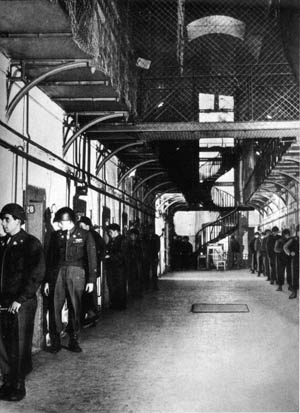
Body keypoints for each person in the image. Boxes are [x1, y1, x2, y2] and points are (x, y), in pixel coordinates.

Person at [0, 203, 45, 401]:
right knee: (3, 343)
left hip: (21, 303)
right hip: (4, 301)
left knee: (18, 344)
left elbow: (37, 274)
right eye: (2, 219)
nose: (3, 223)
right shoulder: (3, 243)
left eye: (7, 219)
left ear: (18, 221)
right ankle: (8, 380)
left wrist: (20, 298)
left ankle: (18, 386)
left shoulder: (31, 243)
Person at [44, 207, 97, 353]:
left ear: (70, 221)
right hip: (58, 273)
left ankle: (74, 340)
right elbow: (50, 259)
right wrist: (48, 280)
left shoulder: (85, 235)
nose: (59, 226)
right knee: (54, 307)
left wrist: (91, 280)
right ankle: (55, 342)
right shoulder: (55, 236)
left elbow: (92, 258)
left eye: (61, 223)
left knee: (75, 307)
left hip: (77, 273)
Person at [78, 216, 105, 327]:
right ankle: (89, 315)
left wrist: (95, 262)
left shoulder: (92, 236)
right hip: (88, 270)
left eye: (82, 226)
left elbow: (100, 251)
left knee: (89, 294)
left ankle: (91, 315)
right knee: (88, 294)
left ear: (88, 226)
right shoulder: (91, 235)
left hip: (90, 271)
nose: (80, 228)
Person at [104, 224, 127, 310]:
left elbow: (123, 254)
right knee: (112, 285)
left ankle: (121, 305)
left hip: (120, 267)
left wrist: (110, 257)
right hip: (112, 267)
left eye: (110, 232)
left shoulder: (123, 240)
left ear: (116, 231)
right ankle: (114, 304)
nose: (109, 234)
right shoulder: (112, 240)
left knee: (120, 286)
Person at [124, 228, 143, 298]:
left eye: (133, 235)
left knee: (138, 278)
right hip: (130, 263)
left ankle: (138, 292)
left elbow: (141, 253)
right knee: (130, 278)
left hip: (137, 263)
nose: (132, 236)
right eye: (131, 235)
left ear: (136, 236)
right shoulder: (128, 243)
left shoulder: (139, 243)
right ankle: (131, 292)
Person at [283, 224, 299, 299]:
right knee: (295, 276)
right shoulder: (293, 239)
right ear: (297, 232)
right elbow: (285, 247)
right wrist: (289, 253)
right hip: (295, 259)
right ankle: (294, 292)